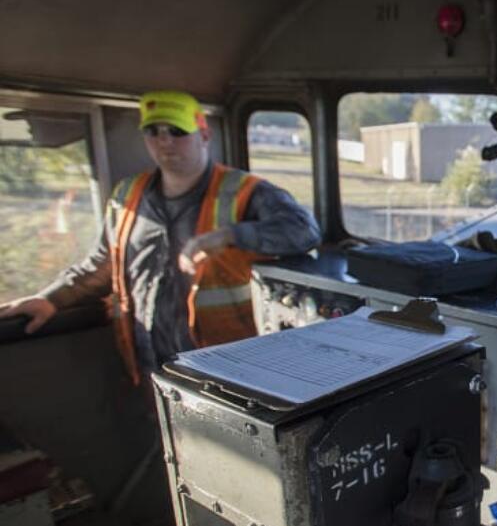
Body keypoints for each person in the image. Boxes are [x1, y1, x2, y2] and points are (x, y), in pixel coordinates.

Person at [0, 90, 320, 383]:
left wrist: (224, 236)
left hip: (228, 367)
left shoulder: (245, 192)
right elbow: (102, 264)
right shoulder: (126, 195)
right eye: (154, 132)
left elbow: (304, 231)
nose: (165, 142)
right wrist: (50, 298)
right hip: (152, 366)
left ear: (204, 134)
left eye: (177, 132)